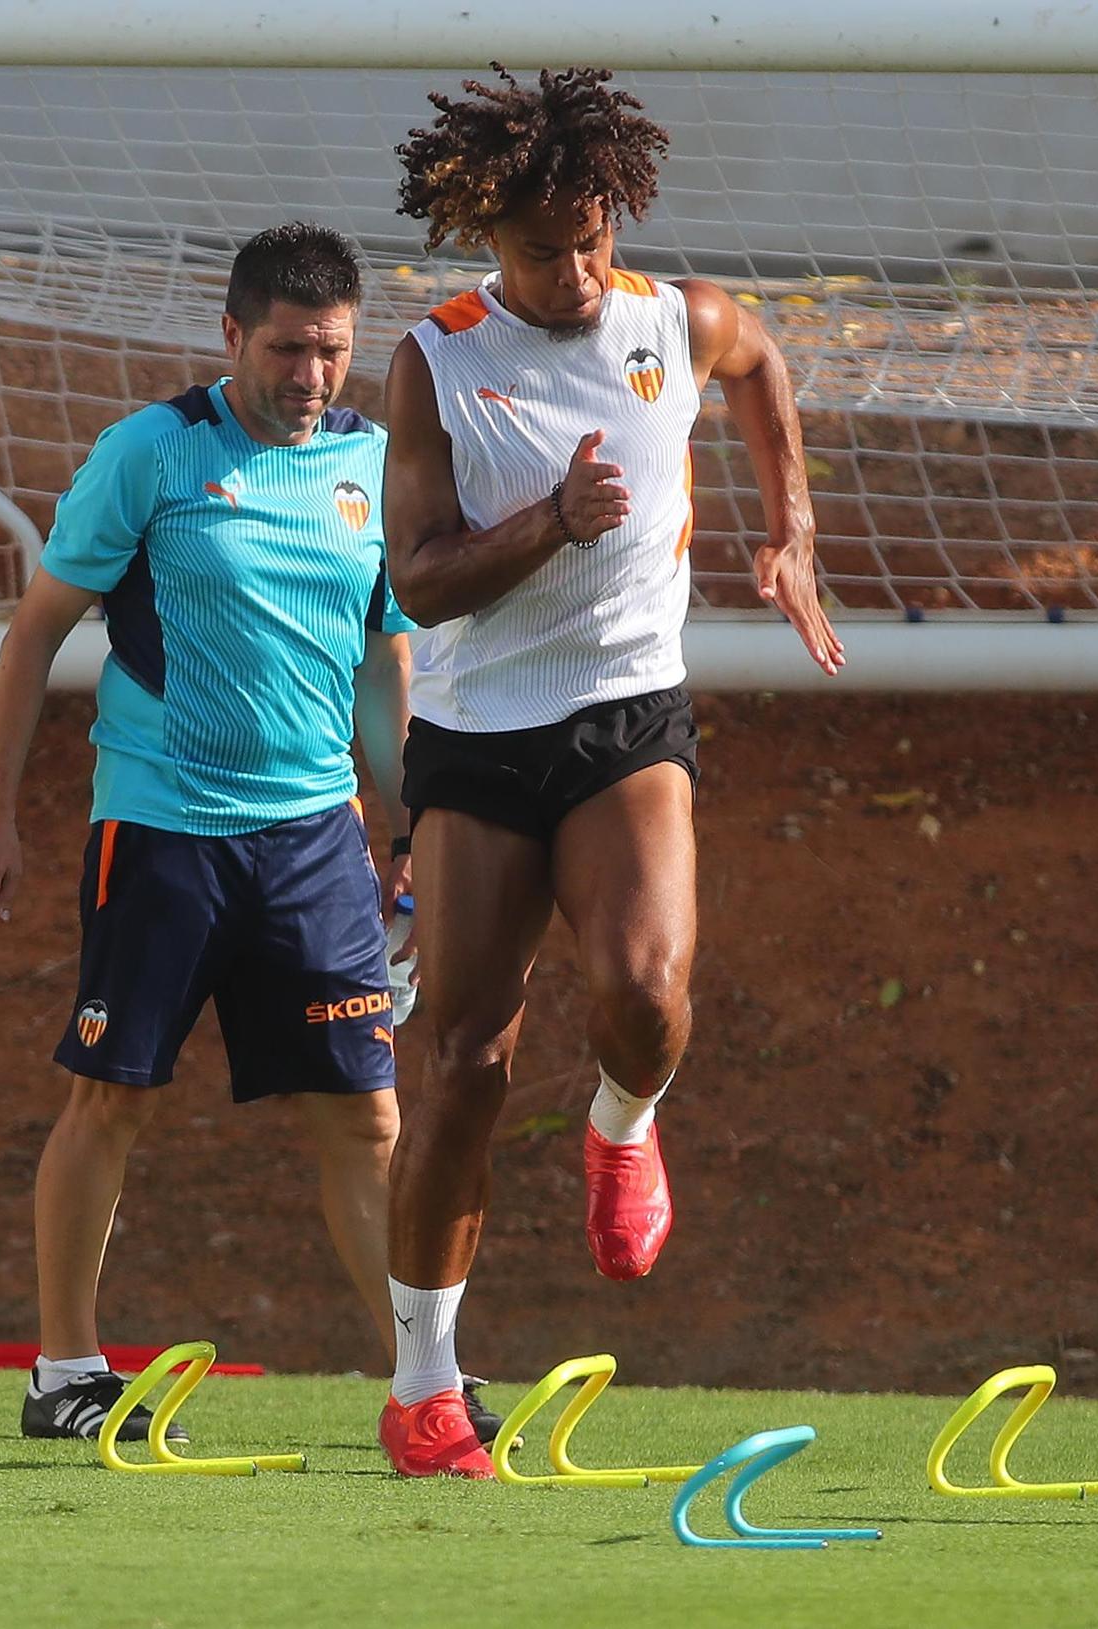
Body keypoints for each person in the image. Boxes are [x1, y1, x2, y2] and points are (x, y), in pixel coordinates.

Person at [0, 222, 500, 1447]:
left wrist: (402, 821)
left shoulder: (370, 462)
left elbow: (380, 651)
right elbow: (35, 633)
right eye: (289, 350)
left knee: (368, 1117)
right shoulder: (150, 454)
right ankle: (67, 1374)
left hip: (314, 845)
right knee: (111, 1100)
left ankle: (427, 1386)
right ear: (231, 338)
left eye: (333, 353)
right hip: (157, 833)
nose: (311, 377)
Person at [379, 65, 842, 1477]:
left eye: (595, 238)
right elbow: (421, 578)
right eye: (542, 251)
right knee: (462, 1063)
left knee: (643, 995)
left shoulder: (673, 318)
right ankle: (424, 1386)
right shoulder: (434, 359)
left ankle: (624, 1125)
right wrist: (552, 524)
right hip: (476, 736)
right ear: (485, 243)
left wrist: (791, 527)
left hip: (629, 713)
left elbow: (762, 368)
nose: (578, 272)